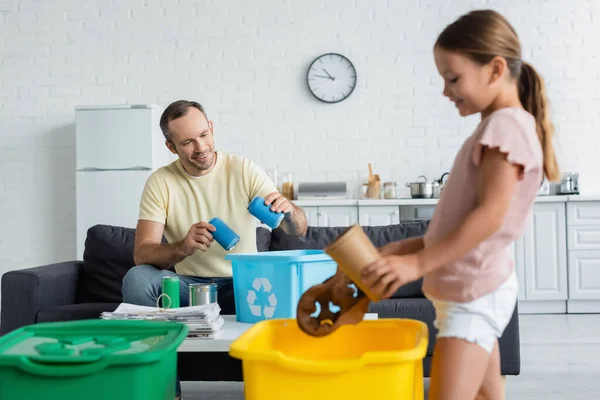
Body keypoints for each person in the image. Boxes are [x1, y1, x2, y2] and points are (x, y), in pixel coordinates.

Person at [361, 10, 560, 400]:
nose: (446, 90)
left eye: (453, 78)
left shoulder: (505, 126)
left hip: (472, 295)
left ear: (495, 69)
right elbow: (465, 220)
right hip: (476, 289)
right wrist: (410, 247)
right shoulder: (499, 126)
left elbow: (491, 216)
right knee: (487, 396)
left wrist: (417, 265)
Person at [121, 100, 308, 399]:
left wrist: (289, 211)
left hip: (244, 284)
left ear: (211, 128)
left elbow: (297, 231)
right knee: (137, 278)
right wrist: (181, 247)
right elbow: (142, 254)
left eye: (203, 135)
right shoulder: (161, 182)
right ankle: (168, 390)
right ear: (171, 147)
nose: (200, 147)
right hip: (189, 288)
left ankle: (276, 389)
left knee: (286, 284)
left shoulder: (242, 169)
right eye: (187, 142)